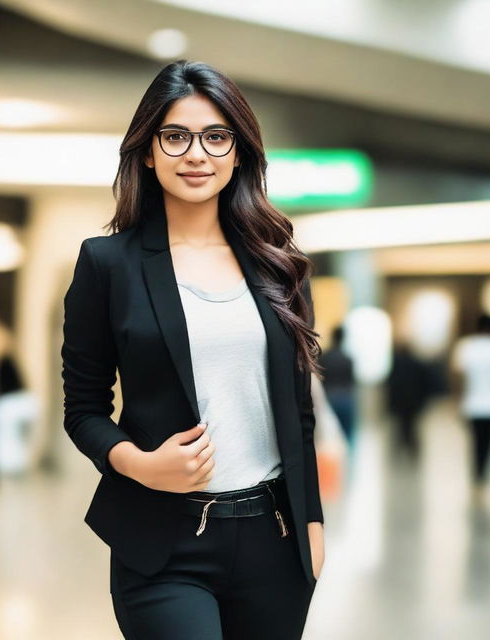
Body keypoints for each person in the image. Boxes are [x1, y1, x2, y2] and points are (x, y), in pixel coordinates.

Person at [61, 60, 325, 639]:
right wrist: (141, 464)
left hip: (274, 539)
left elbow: (297, 411)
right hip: (163, 541)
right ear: (148, 152)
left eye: (216, 136)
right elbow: (81, 409)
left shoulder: (277, 263)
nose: (196, 154)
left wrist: (312, 521)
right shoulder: (109, 264)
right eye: (176, 136)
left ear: (238, 154)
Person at [451, 313, 490, 499]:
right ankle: (483, 478)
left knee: (475, 443)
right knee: (489, 443)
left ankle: (477, 479)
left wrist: (457, 402)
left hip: (473, 404)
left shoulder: (466, 347)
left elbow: (458, 379)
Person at [318, 325, 356, 446]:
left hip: (329, 397)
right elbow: (351, 380)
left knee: (329, 435)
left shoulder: (324, 357)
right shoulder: (348, 359)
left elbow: (321, 378)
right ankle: (346, 459)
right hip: (346, 398)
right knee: (347, 433)